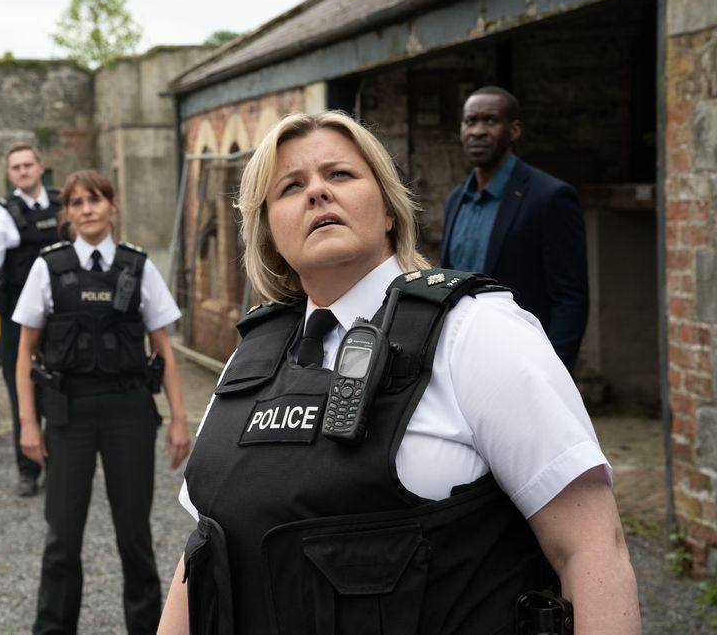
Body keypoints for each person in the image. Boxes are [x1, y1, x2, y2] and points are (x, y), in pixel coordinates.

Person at [158, 111, 639, 634]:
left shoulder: (475, 330)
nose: (317, 192)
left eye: (339, 175)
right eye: (290, 187)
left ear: (388, 209)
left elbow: (591, 547)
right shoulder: (252, 356)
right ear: (270, 233)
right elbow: (202, 553)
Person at [13, 169, 191, 635]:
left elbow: (164, 349)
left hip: (128, 413)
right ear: (67, 213)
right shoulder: (48, 267)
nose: (87, 209)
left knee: (135, 536)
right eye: (77, 203)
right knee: (62, 538)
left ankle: (150, 628)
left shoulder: (138, 266)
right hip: (68, 414)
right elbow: (23, 353)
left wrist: (178, 419)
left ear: (113, 206)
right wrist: (28, 425)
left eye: (95, 200)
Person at [441, 86, 589, 370]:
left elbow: (570, 299)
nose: (478, 131)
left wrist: (552, 372)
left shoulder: (550, 197)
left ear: (514, 130)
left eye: (491, 121)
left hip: (523, 362)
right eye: (470, 121)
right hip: (462, 360)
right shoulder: (455, 200)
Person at [0, 143, 62, 496]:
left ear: (40, 167)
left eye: (28, 165)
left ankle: (60, 465)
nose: (22, 171)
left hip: (62, 318)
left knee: (62, 388)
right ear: (9, 174)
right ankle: (28, 470)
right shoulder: (0, 216)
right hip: (17, 321)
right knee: (23, 390)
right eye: (15, 167)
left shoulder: (65, 205)